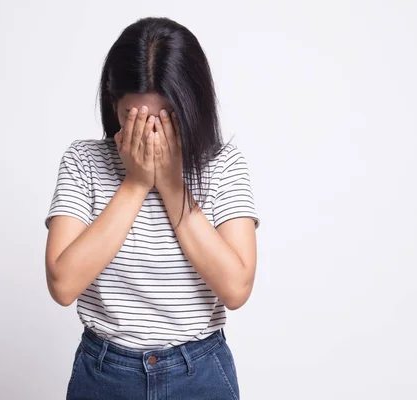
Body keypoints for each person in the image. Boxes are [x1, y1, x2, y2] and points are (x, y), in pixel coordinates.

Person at [44, 16, 260, 400]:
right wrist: (136, 183)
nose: (151, 133)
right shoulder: (83, 161)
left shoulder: (225, 164)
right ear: (115, 106)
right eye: (136, 118)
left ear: (192, 106)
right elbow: (63, 284)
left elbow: (236, 289)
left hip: (199, 372)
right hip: (105, 372)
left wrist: (172, 185)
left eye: (165, 118)